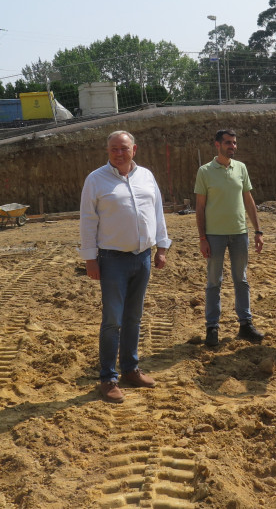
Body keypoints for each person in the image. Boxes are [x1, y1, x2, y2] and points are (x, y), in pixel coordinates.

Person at [79, 130, 171, 403]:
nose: (119, 153)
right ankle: (108, 378)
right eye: (113, 149)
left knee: (134, 317)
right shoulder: (96, 180)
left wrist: (162, 246)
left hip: (142, 258)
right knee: (112, 321)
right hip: (112, 260)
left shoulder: (147, 177)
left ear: (135, 149)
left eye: (124, 148)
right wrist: (90, 259)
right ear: (108, 152)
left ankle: (130, 369)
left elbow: (157, 211)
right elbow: (87, 220)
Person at [194, 129, 265, 347]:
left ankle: (245, 324)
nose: (232, 146)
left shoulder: (241, 168)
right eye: (228, 143)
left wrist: (258, 231)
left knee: (241, 280)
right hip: (214, 235)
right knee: (214, 281)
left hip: (239, 233)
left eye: (234, 143)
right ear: (217, 145)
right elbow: (200, 206)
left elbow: (249, 200)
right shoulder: (205, 171)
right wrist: (202, 238)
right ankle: (212, 328)